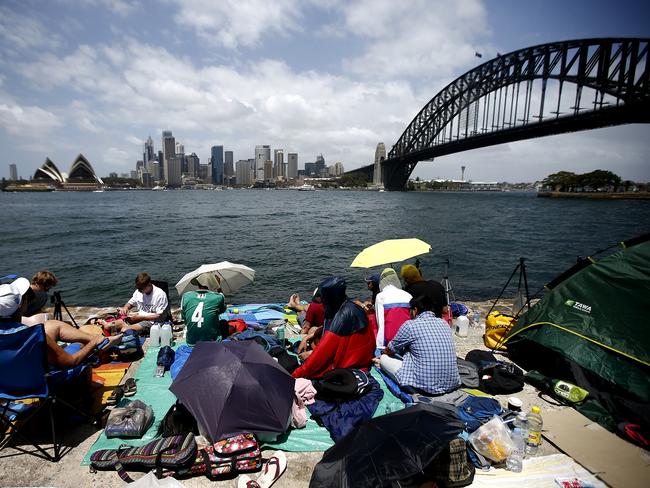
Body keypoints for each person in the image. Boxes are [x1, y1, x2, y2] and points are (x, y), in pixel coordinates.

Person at [0, 277, 121, 369]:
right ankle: (98, 340)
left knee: (53, 325)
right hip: (36, 380)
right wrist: (93, 343)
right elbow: (70, 362)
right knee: (80, 345)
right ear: (21, 305)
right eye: (25, 298)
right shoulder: (33, 335)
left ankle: (98, 340)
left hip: (8, 384)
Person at [292, 276, 375, 379]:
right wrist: (307, 338)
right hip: (364, 358)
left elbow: (324, 351)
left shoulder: (341, 317)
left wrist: (296, 374)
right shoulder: (352, 307)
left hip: (350, 363)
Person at [379, 296, 460, 396]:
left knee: (383, 359)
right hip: (452, 383)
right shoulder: (444, 323)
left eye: (410, 310)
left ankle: (410, 384)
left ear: (415, 310)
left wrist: (383, 353)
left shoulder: (410, 325)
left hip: (426, 387)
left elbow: (391, 349)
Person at [181, 272, 226, 346]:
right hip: (212, 340)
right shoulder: (218, 297)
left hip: (191, 341)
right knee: (223, 323)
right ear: (212, 284)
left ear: (198, 284)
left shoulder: (186, 296)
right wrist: (218, 287)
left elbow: (184, 318)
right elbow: (222, 310)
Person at [374, 268, 412, 349]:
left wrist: (380, 346)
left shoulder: (380, 296)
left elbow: (380, 323)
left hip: (389, 342)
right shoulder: (408, 295)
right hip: (407, 340)